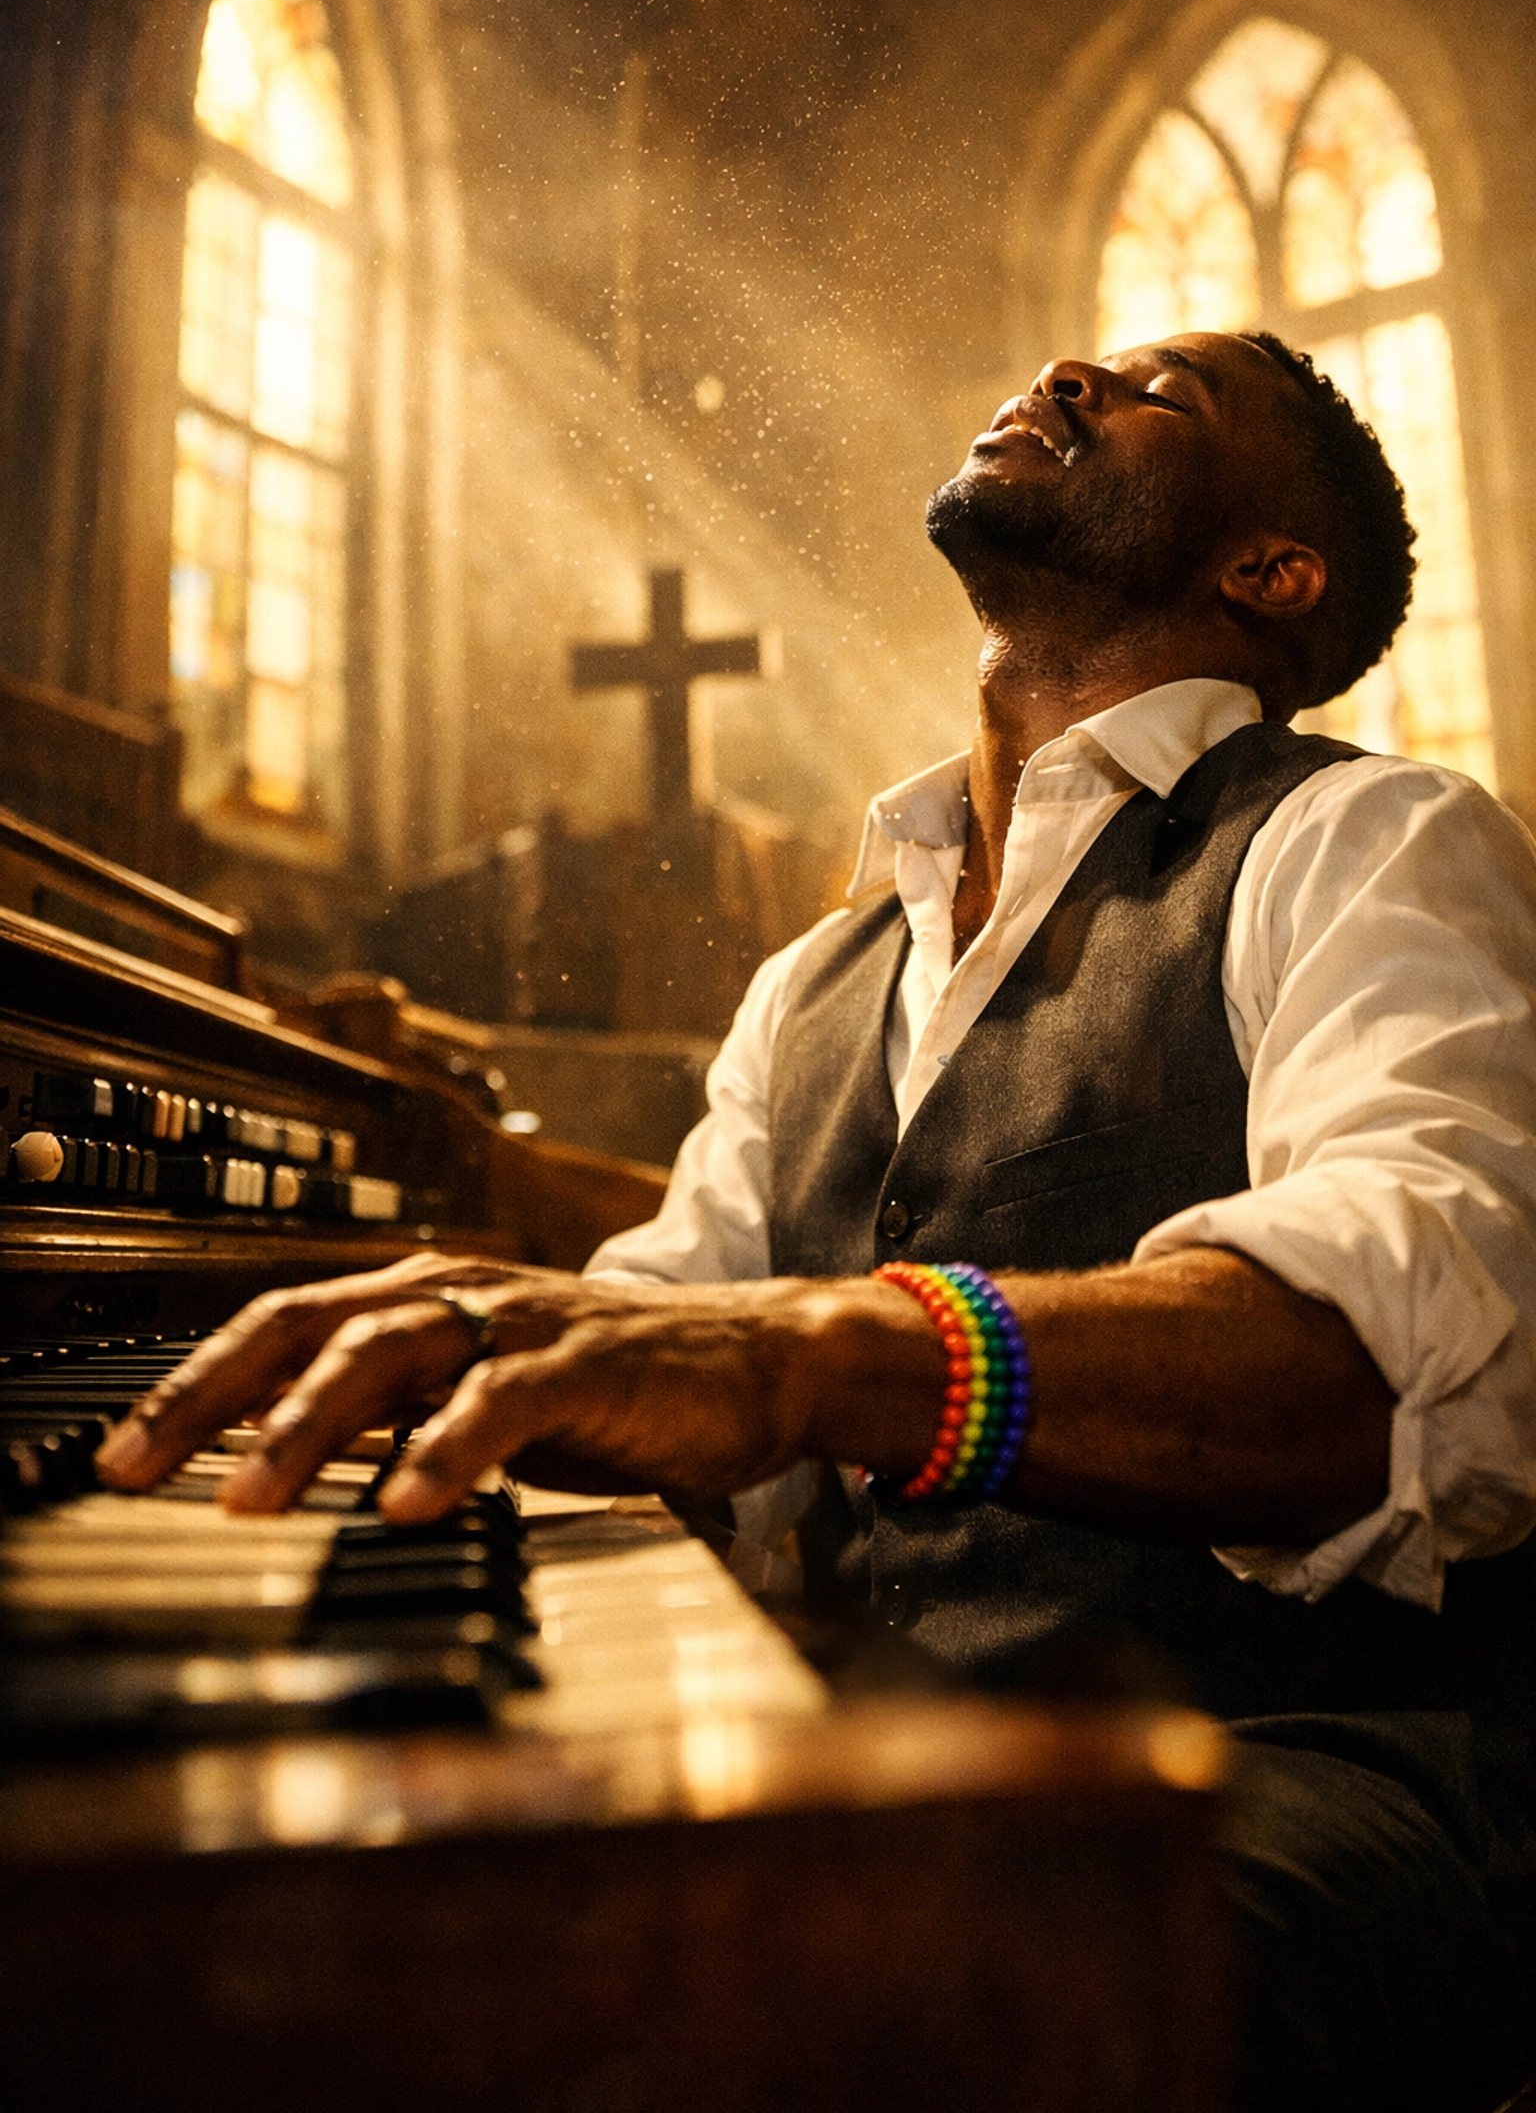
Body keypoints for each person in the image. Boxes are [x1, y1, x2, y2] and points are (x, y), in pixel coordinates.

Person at [99, 330, 1536, 2113]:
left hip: (1286, 1757)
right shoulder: (814, 981)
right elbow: (654, 1342)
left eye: (1167, 391)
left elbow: (1400, 1370)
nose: (1072, 365)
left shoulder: (1370, 842)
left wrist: (819, 1352)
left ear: (1271, 571)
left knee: (907, 1997)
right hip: (866, 1739)